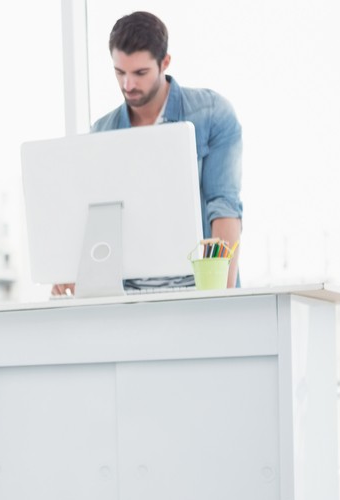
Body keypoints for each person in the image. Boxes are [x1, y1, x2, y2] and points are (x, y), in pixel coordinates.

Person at [53, 10, 243, 296]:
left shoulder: (212, 114)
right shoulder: (102, 131)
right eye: (120, 72)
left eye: (140, 73)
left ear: (164, 62)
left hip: (196, 289)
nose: (128, 85)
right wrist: (72, 274)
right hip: (127, 296)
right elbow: (96, 221)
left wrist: (219, 298)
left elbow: (224, 208)